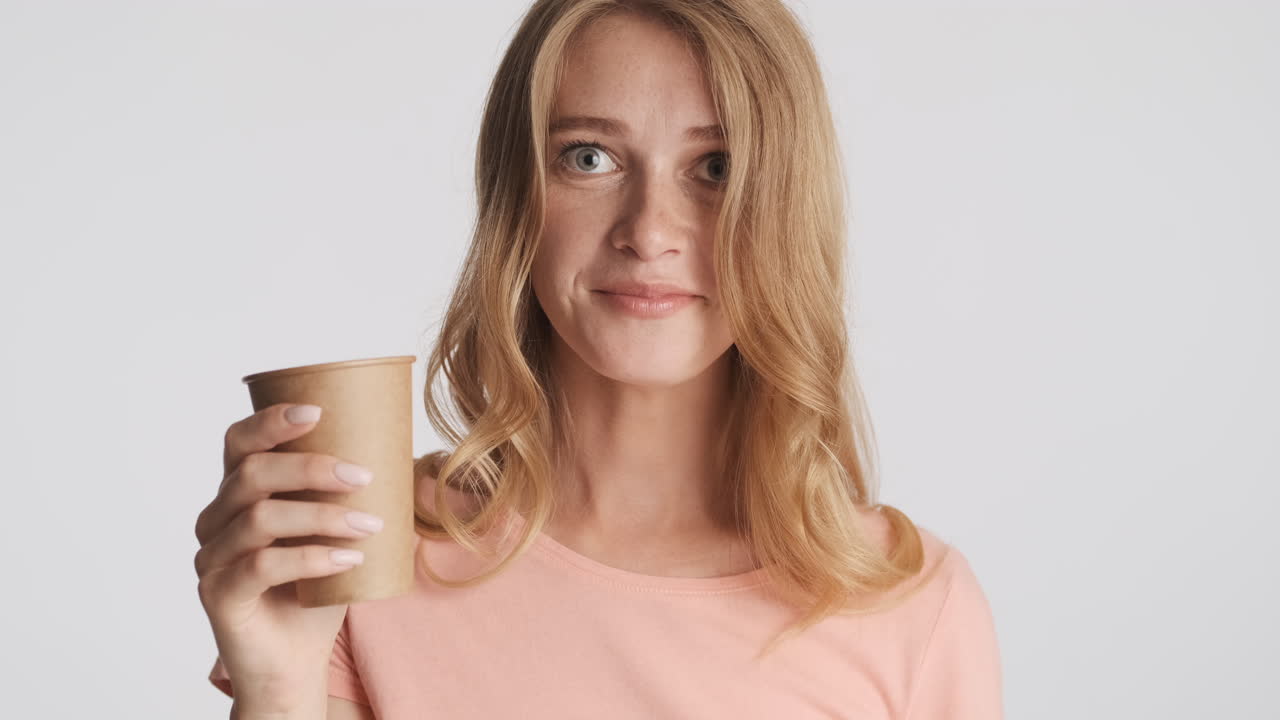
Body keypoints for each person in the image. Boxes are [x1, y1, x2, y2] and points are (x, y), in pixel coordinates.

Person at [195, 1, 1003, 718]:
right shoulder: (370, 555)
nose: (649, 231)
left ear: (786, 209)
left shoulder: (910, 605)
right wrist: (278, 690)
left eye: (716, 168)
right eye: (590, 157)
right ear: (516, 202)